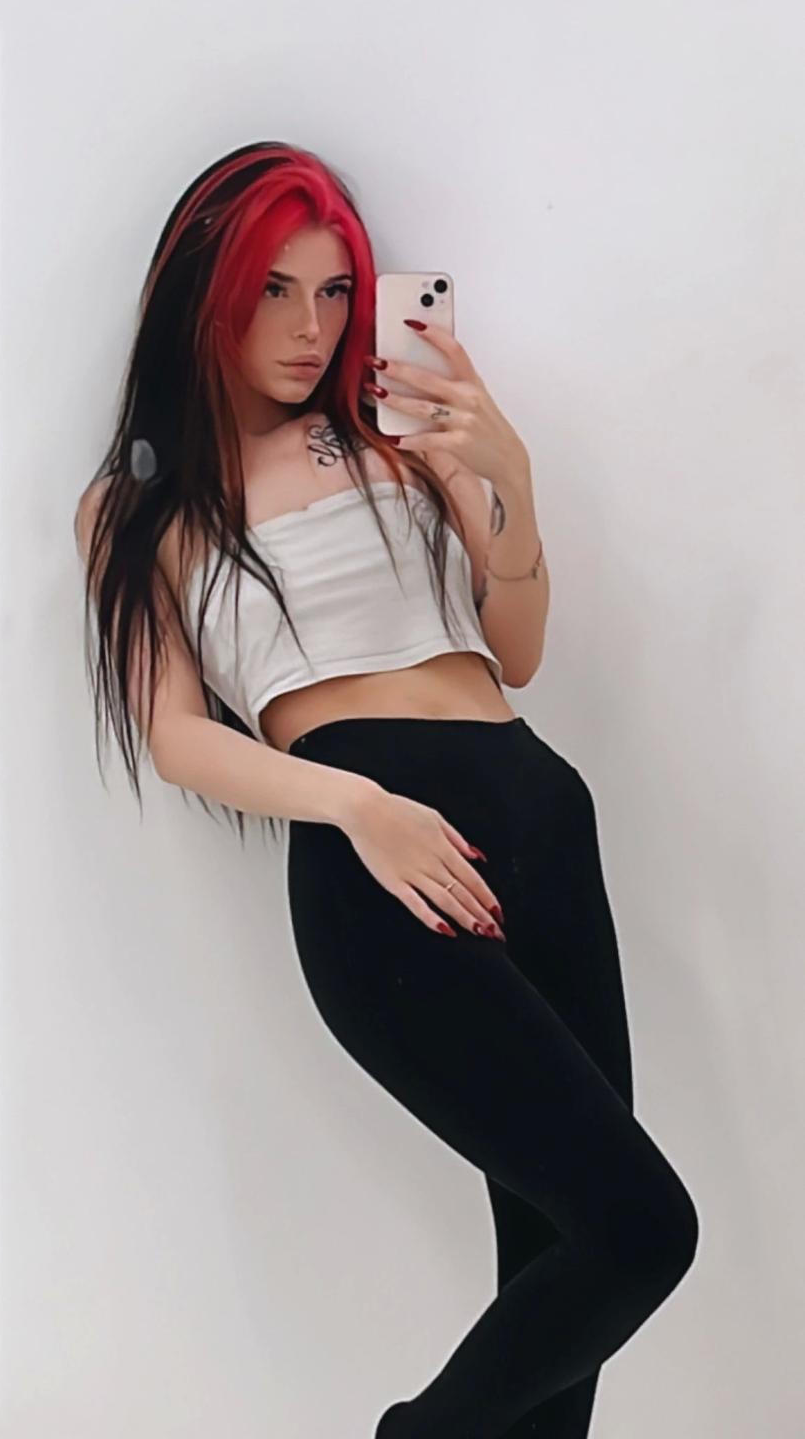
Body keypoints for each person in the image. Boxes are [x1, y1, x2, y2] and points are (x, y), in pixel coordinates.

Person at [74, 141, 699, 1439]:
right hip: (383, 850)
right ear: (205, 293)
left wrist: (510, 485)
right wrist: (356, 804)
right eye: (272, 291)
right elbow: (175, 736)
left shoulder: (395, 438)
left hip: (541, 813)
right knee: (642, 1228)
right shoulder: (144, 509)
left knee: (558, 1263)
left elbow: (513, 650)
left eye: (333, 291)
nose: (310, 329)